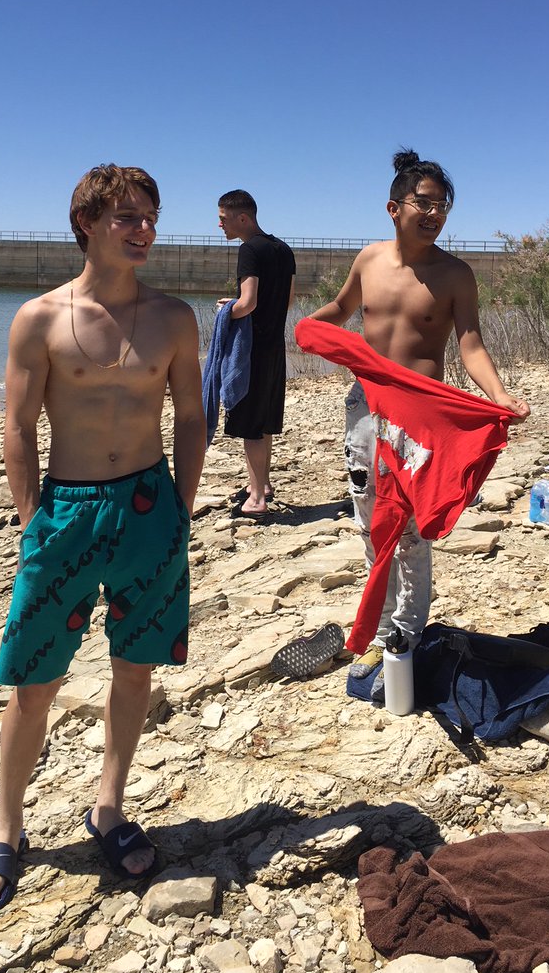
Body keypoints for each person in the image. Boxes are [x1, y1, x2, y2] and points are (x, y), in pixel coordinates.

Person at [0, 164, 205, 914]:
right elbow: (17, 424)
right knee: (35, 682)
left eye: (150, 217)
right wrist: (31, 517)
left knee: (135, 672)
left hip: (147, 507)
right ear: (88, 225)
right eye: (126, 217)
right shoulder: (38, 317)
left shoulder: (173, 317)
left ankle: (109, 805)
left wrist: (179, 508)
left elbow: (193, 417)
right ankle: (8, 822)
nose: (143, 230)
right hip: (64, 513)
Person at [309, 148, 529, 679]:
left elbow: (470, 344)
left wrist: (498, 396)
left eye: (443, 206)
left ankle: (408, 630)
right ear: (394, 207)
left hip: (424, 414)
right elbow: (340, 310)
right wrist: (303, 329)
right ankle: (382, 633)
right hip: (366, 408)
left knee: (412, 524)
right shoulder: (368, 260)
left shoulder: (455, 274)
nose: (434, 215)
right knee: (370, 519)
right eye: (424, 203)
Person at [217, 189, 296, 515]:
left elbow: (248, 303)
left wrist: (227, 309)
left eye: (223, 219)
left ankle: (257, 499)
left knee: (250, 424)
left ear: (243, 218)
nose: (219, 225)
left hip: (251, 349)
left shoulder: (250, 250)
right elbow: (289, 301)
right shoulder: (283, 249)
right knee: (265, 422)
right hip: (275, 347)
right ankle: (262, 484)